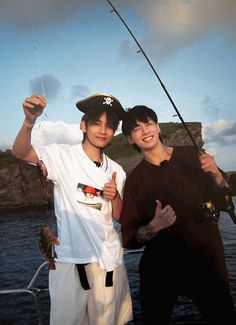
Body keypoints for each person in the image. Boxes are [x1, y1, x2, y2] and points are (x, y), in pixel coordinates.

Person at [12, 93, 133, 325]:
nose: (102, 130)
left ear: (114, 131)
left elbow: (119, 216)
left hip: (109, 263)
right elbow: (20, 152)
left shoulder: (118, 170)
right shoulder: (61, 155)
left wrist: (115, 196)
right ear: (83, 125)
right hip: (68, 262)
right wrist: (29, 121)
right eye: (96, 123)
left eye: (109, 126)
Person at [120, 105, 236, 325]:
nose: (144, 131)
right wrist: (155, 225)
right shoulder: (135, 181)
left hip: (206, 261)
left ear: (158, 127)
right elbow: (129, 238)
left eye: (148, 123)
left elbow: (225, 202)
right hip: (161, 268)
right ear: (130, 140)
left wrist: (215, 174)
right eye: (136, 129)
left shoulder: (193, 155)